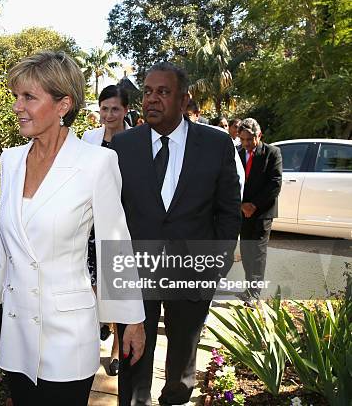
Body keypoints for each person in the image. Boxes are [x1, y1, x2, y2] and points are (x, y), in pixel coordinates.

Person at [0, 51, 146, 406]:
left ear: (64, 104)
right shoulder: (11, 160)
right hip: (18, 331)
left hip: (68, 333)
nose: (18, 106)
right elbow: (9, 247)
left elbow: (115, 244)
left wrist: (132, 322)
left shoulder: (97, 163)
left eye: (29, 97)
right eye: (16, 96)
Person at [111, 62, 241, 406]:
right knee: (133, 352)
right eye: (148, 92)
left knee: (183, 353)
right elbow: (110, 214)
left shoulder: (216, 144)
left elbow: (228, 210)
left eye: (162, 92)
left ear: (184, 100)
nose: (151, 100)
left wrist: (218, 262)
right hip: (136, 270)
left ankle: (175, 400)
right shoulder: (122, 146)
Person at [82, 84, 131, 376]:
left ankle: (115, 350)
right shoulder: (89, 138)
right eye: (104, 108)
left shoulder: (138, 139)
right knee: (92, 286)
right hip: (90, 222)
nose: (109, 114)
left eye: (115, 109)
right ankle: (90, 344)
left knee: (115, 288)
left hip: (120, 222)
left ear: (125, 110)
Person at [237, 118, 282, 304]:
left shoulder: (272, 153)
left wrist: (253, 205)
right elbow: (230, 181)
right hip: (242, 211)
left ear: (259, 135)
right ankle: (249, 288)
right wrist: (241, 205)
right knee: (246, 252)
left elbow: (275, 184)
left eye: (250, 139)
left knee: (258, 252)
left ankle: (254, 294)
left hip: (262, 212)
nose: (246, 144)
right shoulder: (237, 153)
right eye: (243, 140)